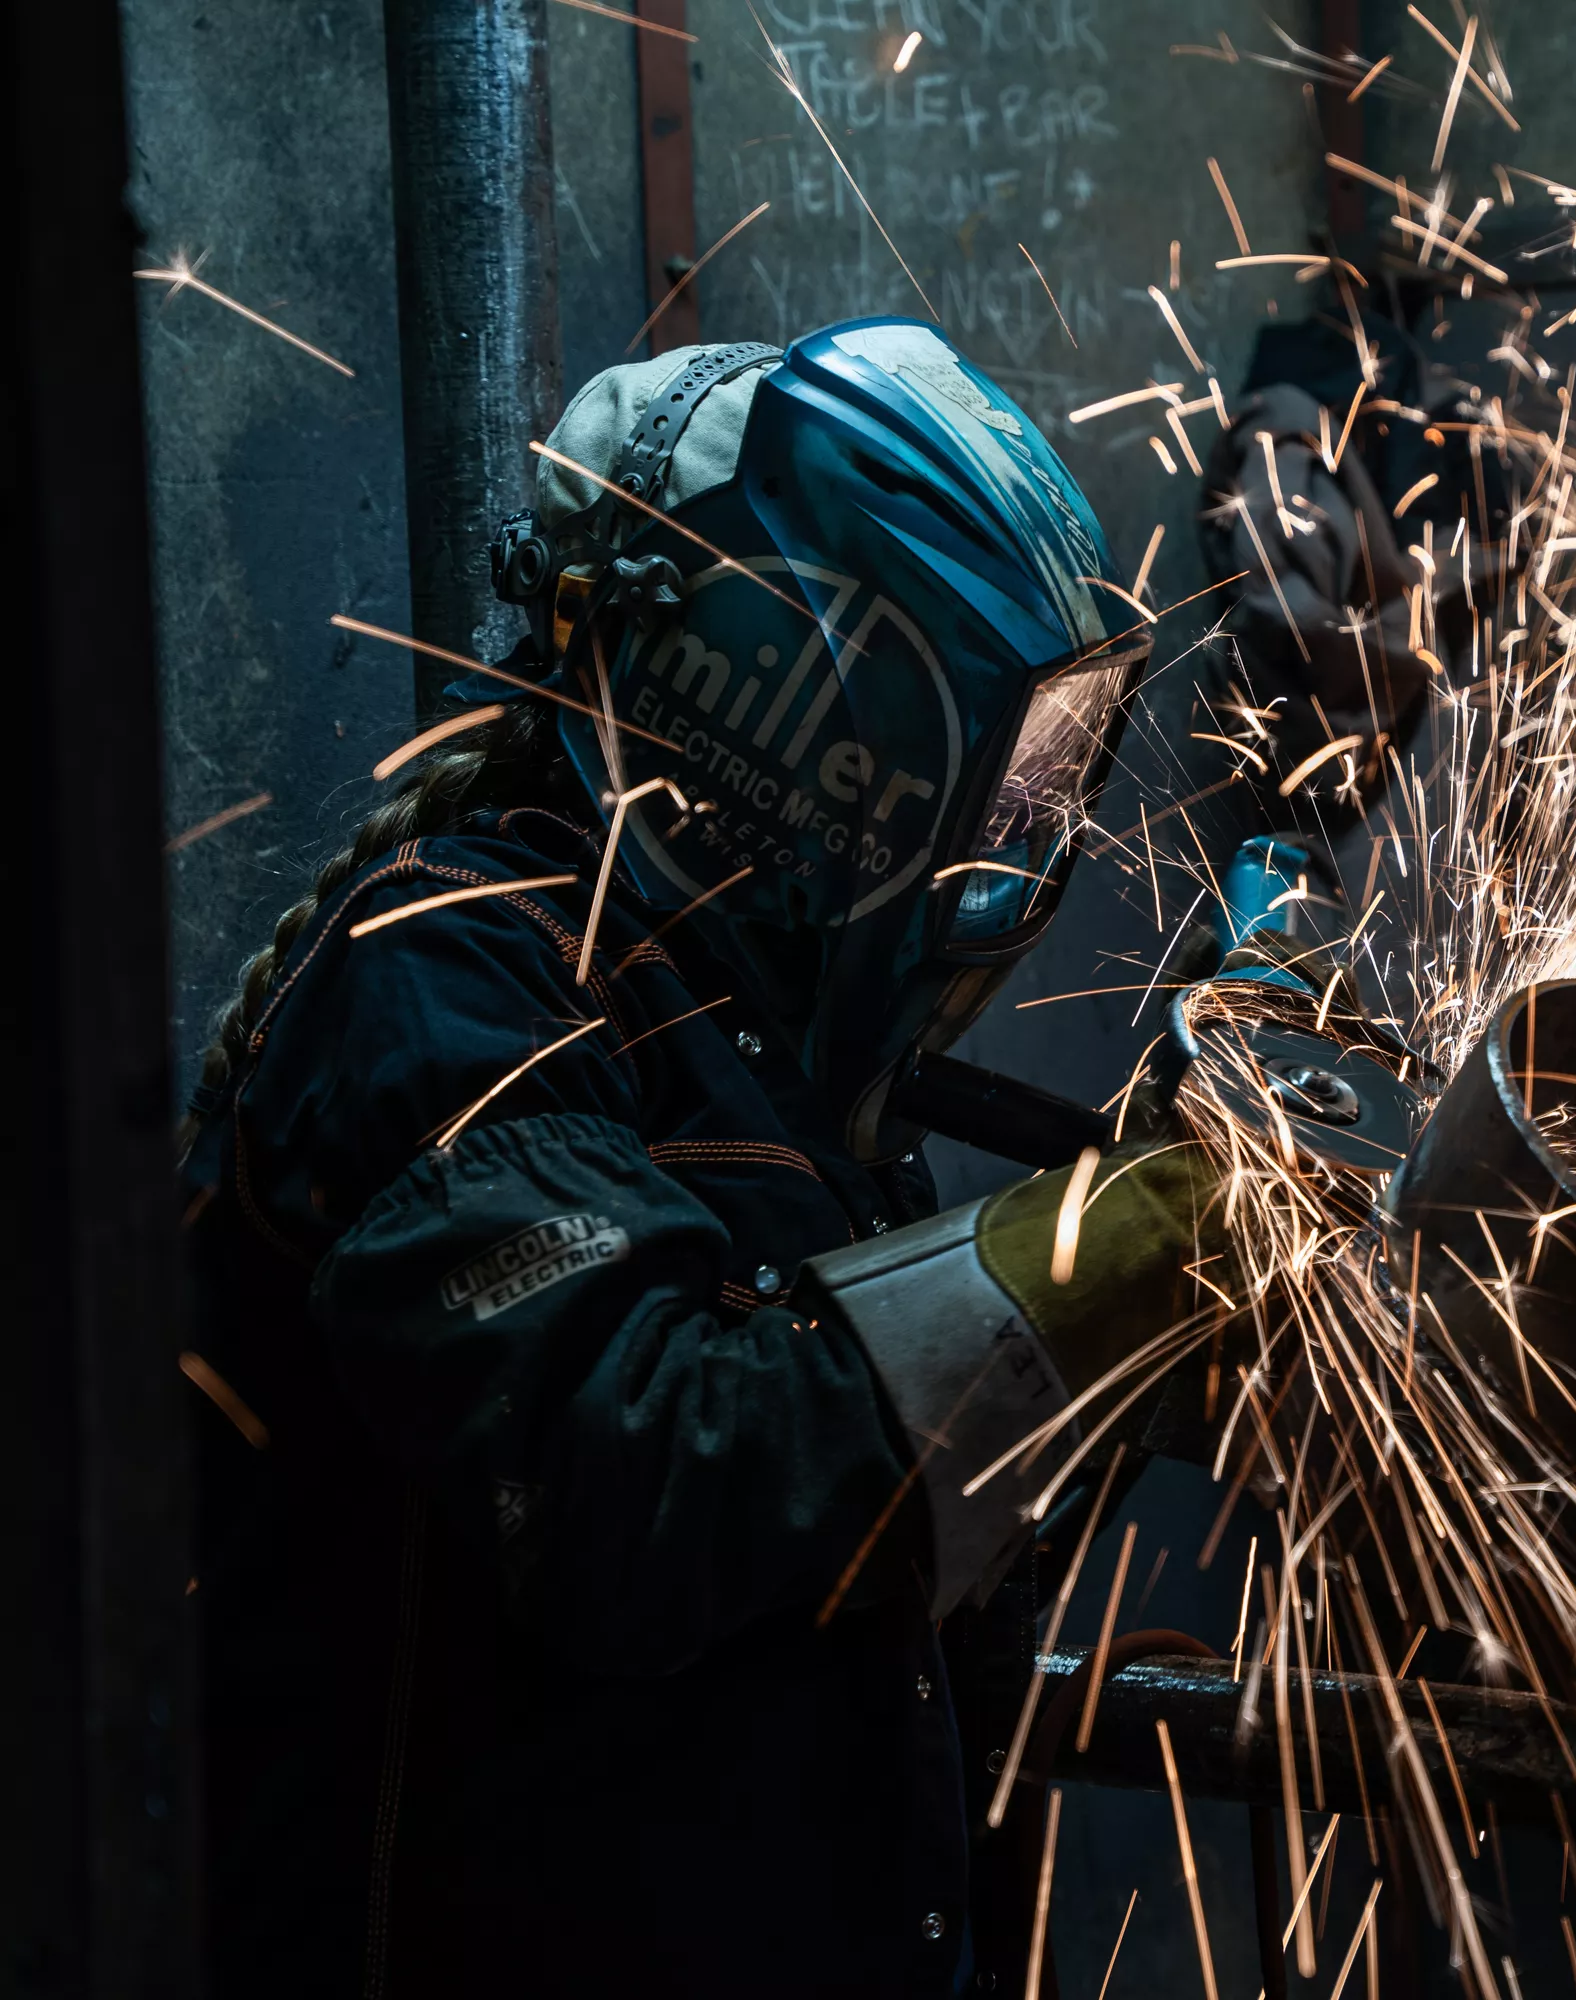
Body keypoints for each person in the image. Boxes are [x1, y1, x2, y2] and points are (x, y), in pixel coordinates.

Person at [180, 322, 1225, 1997]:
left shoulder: (747, 1043)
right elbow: (652, 1471)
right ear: (808, 720)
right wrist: (1140, 1232)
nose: (1013, 849)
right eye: (994, 784)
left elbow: (867, 1506)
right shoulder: (444, 975)